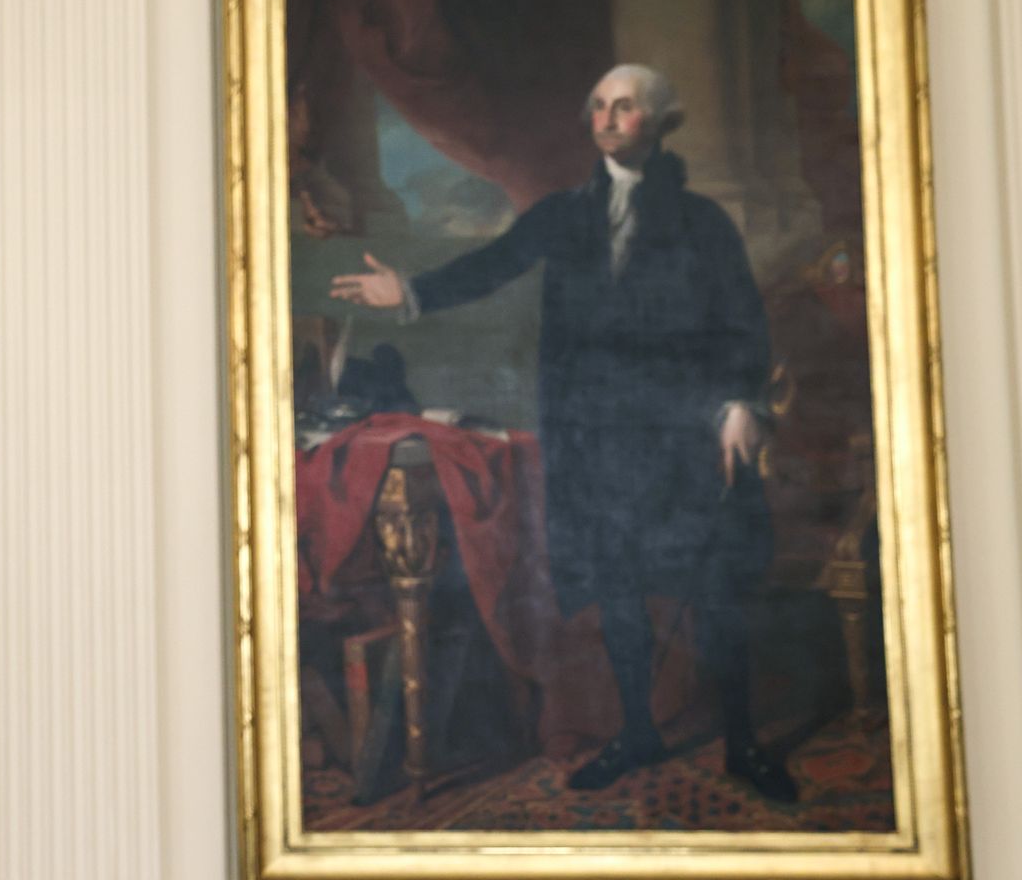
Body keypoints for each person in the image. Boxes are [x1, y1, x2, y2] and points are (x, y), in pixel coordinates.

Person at [329, 65, 797, 803]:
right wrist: (410, 292)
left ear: (660, 123)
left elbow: (743, 319)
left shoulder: (703, 222)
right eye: (601, 107)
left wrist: (741, 401)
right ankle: (638, 730)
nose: (610, 119)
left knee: (714, 594)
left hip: (682, 439)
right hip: (596, 443)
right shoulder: (563, 215)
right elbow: (493, 265)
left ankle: (743, 742)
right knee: (617, 593)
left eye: (627, 107)